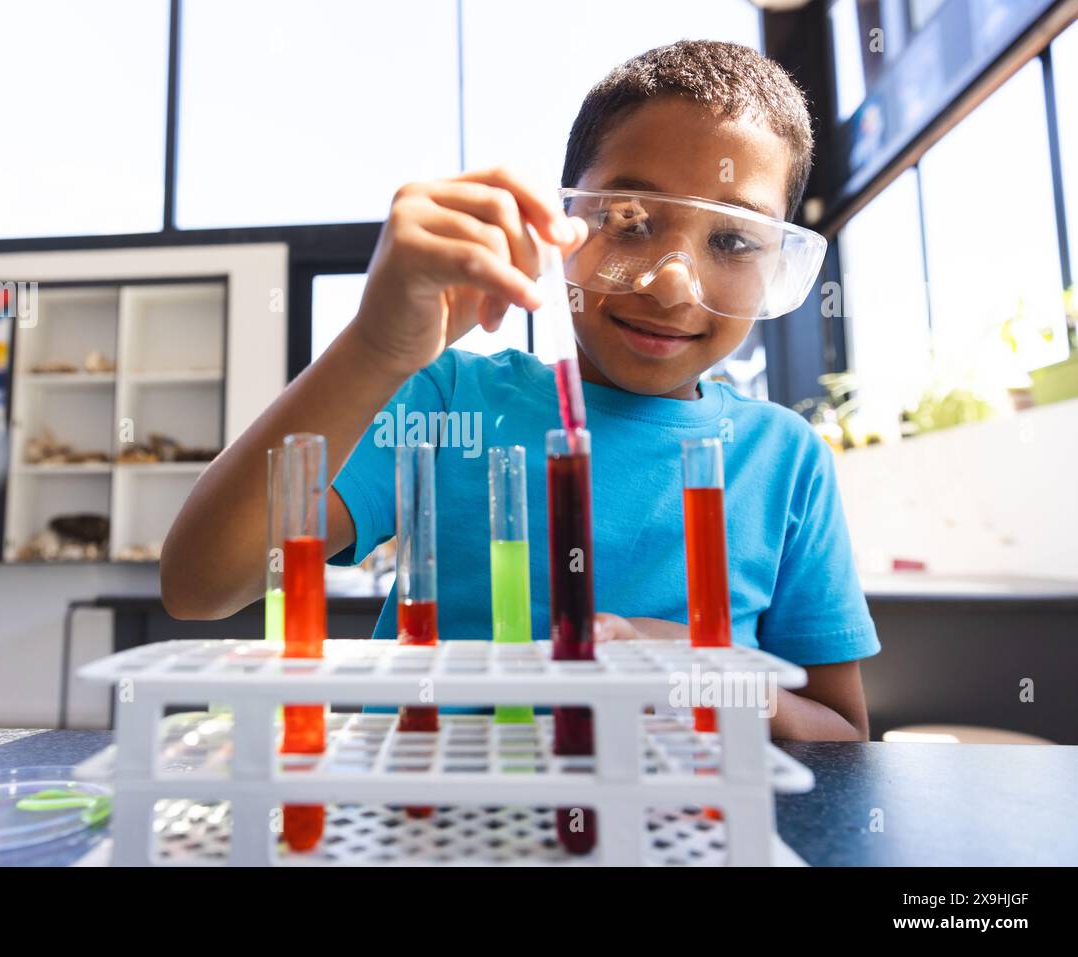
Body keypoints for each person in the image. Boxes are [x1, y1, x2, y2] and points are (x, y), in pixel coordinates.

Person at [162, 40, 877, 741]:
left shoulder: (785, 460)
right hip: (427, 833)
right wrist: (374, 349)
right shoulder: (449, 401)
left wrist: (719, 677)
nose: (670, 282)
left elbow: (841, 730)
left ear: (779, 259)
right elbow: (201, 584)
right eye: (631, 220)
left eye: (731, 241)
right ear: (567, 225)